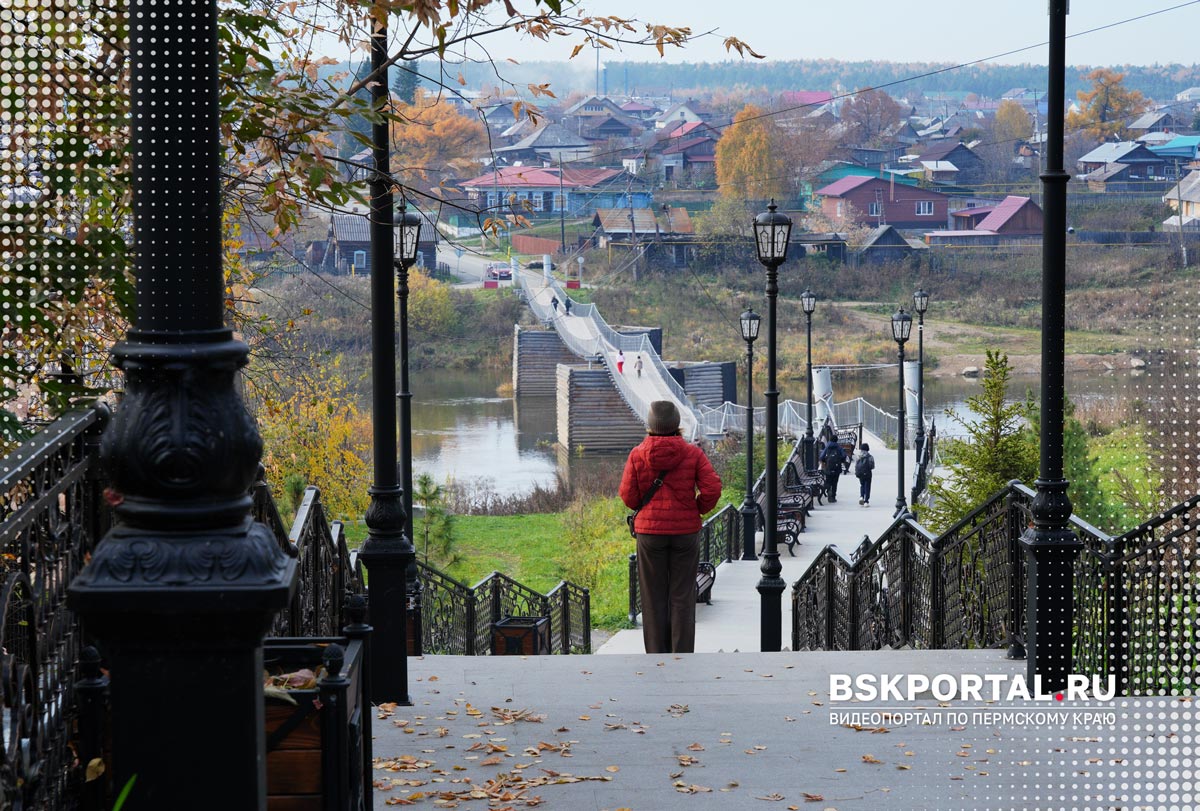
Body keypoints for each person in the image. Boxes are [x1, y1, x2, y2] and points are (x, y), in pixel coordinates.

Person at [620, 401, 722, 654]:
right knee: (683, 595)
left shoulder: (637, 454)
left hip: (650, 535)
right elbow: (712, 488)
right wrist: (696, 509)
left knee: (653, 596)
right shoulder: (693, 454)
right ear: (677, 424)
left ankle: (656, 654)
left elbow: (628, 497)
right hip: (685, 533)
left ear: (650, 425)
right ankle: (682, 653)